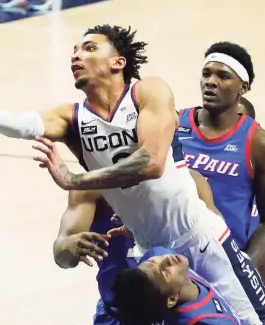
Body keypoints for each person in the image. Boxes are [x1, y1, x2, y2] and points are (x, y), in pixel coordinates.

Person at [0, 25, 259, 324]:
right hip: (153, 256)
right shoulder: (74, 118)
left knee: (256, 321)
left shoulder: (148, 92)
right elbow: (29, 124)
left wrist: (75, 179)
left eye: (89, 48)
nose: (76, 54)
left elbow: (153, 162)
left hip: (200, 237)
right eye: (74, 50)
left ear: (117, 62)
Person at [54, 134, 226, 324]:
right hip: (120, 311)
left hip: (175, 312)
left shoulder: (189, 182)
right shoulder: (90, 188)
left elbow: (221, 248)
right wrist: (67, 247)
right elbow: (63, 256)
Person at [177, 42, 265, 324]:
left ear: (243, 87)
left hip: (229, 265)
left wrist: (243, 268)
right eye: (206, 73)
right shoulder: (174, 124)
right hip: (176, 263)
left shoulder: (261, 143)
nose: (210, 82)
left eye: (223, 76)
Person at [109, 246, 241, 325]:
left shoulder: (157, 255)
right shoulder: (205, 322)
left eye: (153, 261)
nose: (166, 258)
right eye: (165, 272)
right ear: (172, 299)